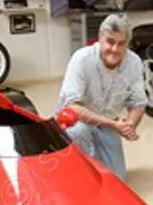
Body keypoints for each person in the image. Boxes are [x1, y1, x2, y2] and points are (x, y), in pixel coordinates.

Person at [56, 13, 147, 180]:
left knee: (116, 179)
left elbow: (138, 104)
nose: (115, 49)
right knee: (79, 133)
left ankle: (94, 160)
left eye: (121, 44)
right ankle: (72, 170)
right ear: (99, 39)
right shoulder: (81, 59)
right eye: (110, 42)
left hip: (107, 123)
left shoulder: (134, 63)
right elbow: (72, 106)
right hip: (75, 120)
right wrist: (114, 124)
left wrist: (130, 125)